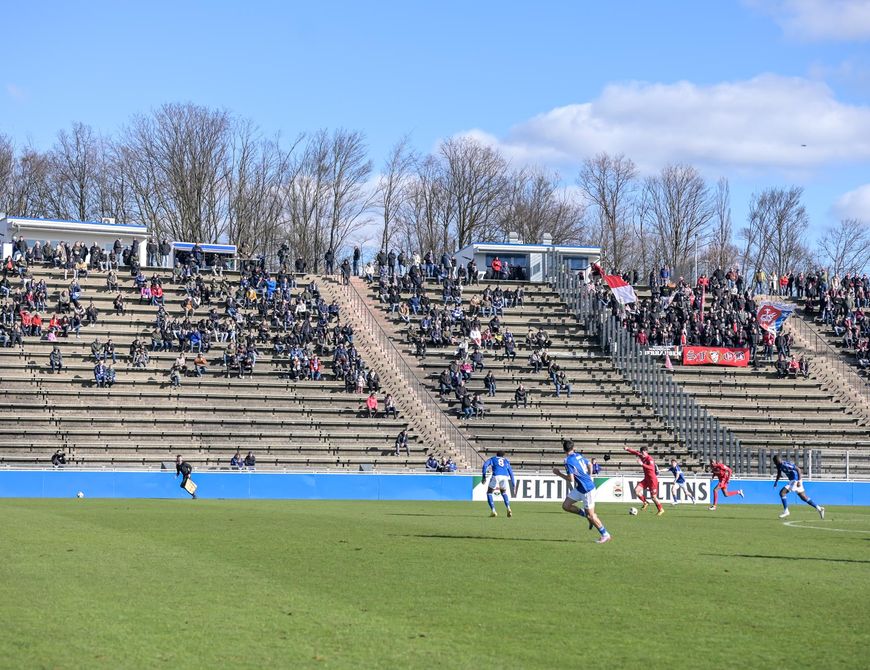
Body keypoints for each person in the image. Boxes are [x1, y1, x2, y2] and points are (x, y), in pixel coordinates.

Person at [552, 439, 611, 544]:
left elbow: (571, 479)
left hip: (587, 489)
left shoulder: (567, 461)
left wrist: (558, 473)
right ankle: (585, 514)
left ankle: (605, 534)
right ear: (573, 448)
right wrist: (589, 475)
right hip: (580, 488)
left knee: (592, 516)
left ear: (563, 449)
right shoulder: (578, 455)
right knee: (566, 505)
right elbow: (590, 465)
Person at [772, 455, 824, 520]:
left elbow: (798, 469)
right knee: (803, 497)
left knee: (782, 493)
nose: (775, 463)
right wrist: (776, 482)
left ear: (776, 461)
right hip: (794, 481)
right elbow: (779, 474)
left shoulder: (786, 465)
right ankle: (819, 508)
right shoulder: (779, 466)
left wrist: (799, 481)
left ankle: (786, 511)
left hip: (795, 480)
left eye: (775, 462)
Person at [624, 446, 664, 515]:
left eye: (643, 452)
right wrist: (627, 449)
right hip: (646, 479)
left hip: (652, 480)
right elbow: (635, 452)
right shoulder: (642, 456)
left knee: (653, 497)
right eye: (641, 452)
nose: (642, 454)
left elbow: (651, 468)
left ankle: (661, 509)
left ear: (646, 452)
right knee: (636, 490)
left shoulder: (650, 459)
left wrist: (642, 464)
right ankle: (645, 502)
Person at [481, 450, 516, 517]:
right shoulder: (506, 461)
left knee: (489, 492)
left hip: (496, 475)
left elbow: (485, 465)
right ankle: (508, 507)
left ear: (496, 454)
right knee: (503, 492)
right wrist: (513, 484)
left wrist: (484, 476)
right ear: (503, 455)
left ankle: (493, 510)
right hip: (505, 477)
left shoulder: (493, 459)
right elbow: (511, 472)